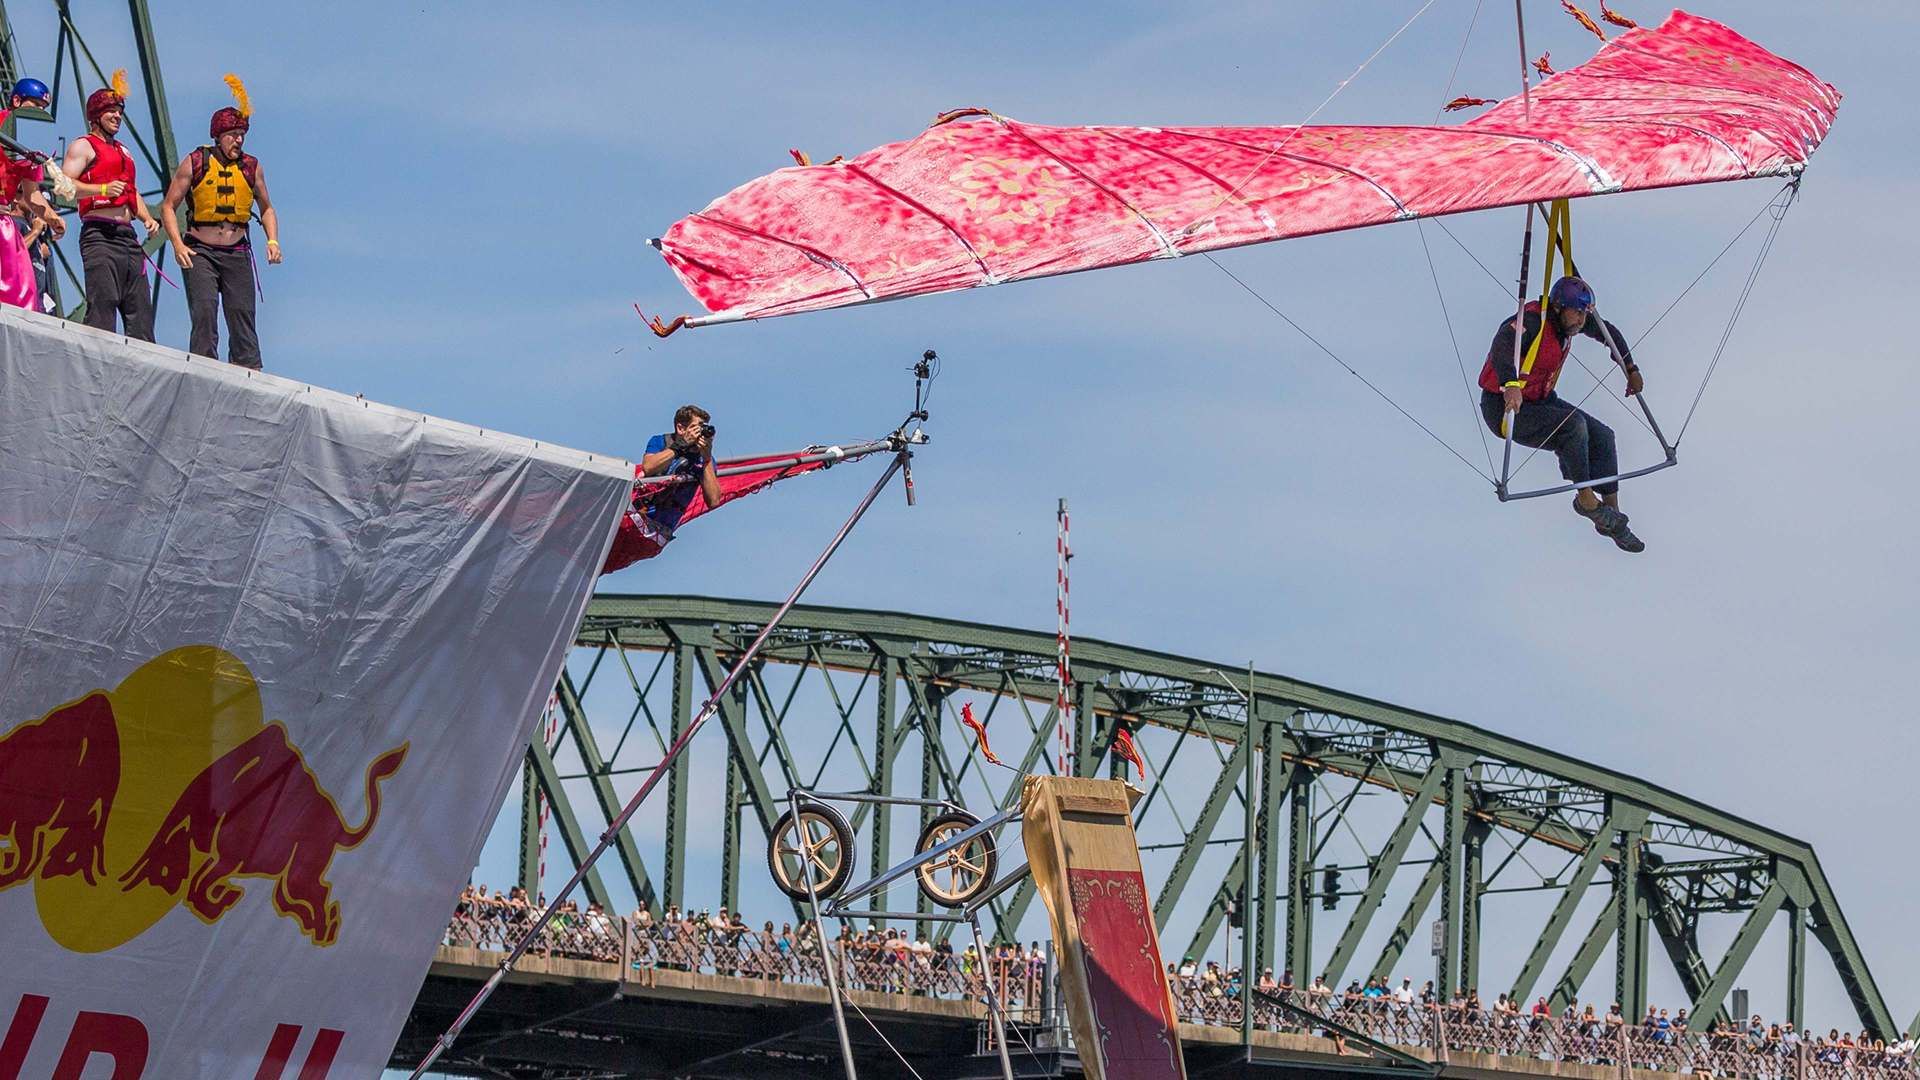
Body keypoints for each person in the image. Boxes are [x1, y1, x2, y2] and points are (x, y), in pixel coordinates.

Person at [1480, 275, 1646, 553]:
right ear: (1558, 306)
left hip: (1540, 401)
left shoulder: (1570, 323)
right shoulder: (1533, 321)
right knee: (1572, 427)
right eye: (1577, 313)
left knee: (1603, 435)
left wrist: (1630, 367)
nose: (1581, 320)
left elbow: (1608, 332)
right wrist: (1510, 385)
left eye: (1584, 314)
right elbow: (1503, 345)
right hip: (1504, 407)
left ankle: (1611, 517)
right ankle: (1587, 501)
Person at [161, 75, 280, 369]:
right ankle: (203, 368)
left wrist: (272, 240)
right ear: (218, 135)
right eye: (233, 134)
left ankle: (248, 369)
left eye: (241, 134)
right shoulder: (196, 161)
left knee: (242, 313)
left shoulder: (251, 167)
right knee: (204, 310)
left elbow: (266, 208)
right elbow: (168, 206)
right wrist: (177, 245)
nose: (238, 140)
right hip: (201, 249)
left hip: (237, 250)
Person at [60, 70, 159, 341]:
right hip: (100, 234)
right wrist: (101, 189)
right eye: (111, 111)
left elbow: (131, 191)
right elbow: (64, 186)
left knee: (140, 311)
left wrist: (147, 218)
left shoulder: (123, 151)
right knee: (103, 305)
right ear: (96, 115)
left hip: (128, 237)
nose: (117, 116)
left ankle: (141, 362)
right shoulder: (84, 146)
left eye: (120, 112)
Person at [603, 405, 722, 570]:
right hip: (635, 516)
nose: (701, 433)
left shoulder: (704, 460)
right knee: (604, 549)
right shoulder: (661, 442)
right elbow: (649, 467)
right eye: (697, 427)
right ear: (681, 428)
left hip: (658, 531)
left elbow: (714, 500)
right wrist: (679, 446)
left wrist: (707, 458)